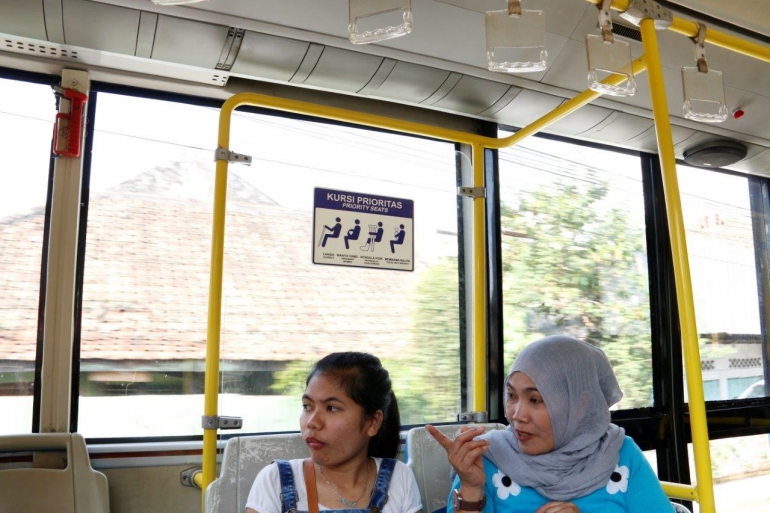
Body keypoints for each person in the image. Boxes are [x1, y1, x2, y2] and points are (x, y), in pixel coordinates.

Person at [427, 335, 674, 512]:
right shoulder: (486, 457)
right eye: (511, 396)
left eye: (535, 400)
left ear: (580, 405)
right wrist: (471, 488)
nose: (517, 415)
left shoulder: (620, 454)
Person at [245, 352, 422, 513]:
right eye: (307, 406)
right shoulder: (276, 481)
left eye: (331, 408)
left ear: (372, 422)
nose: (312, 422)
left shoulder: (399, 478)